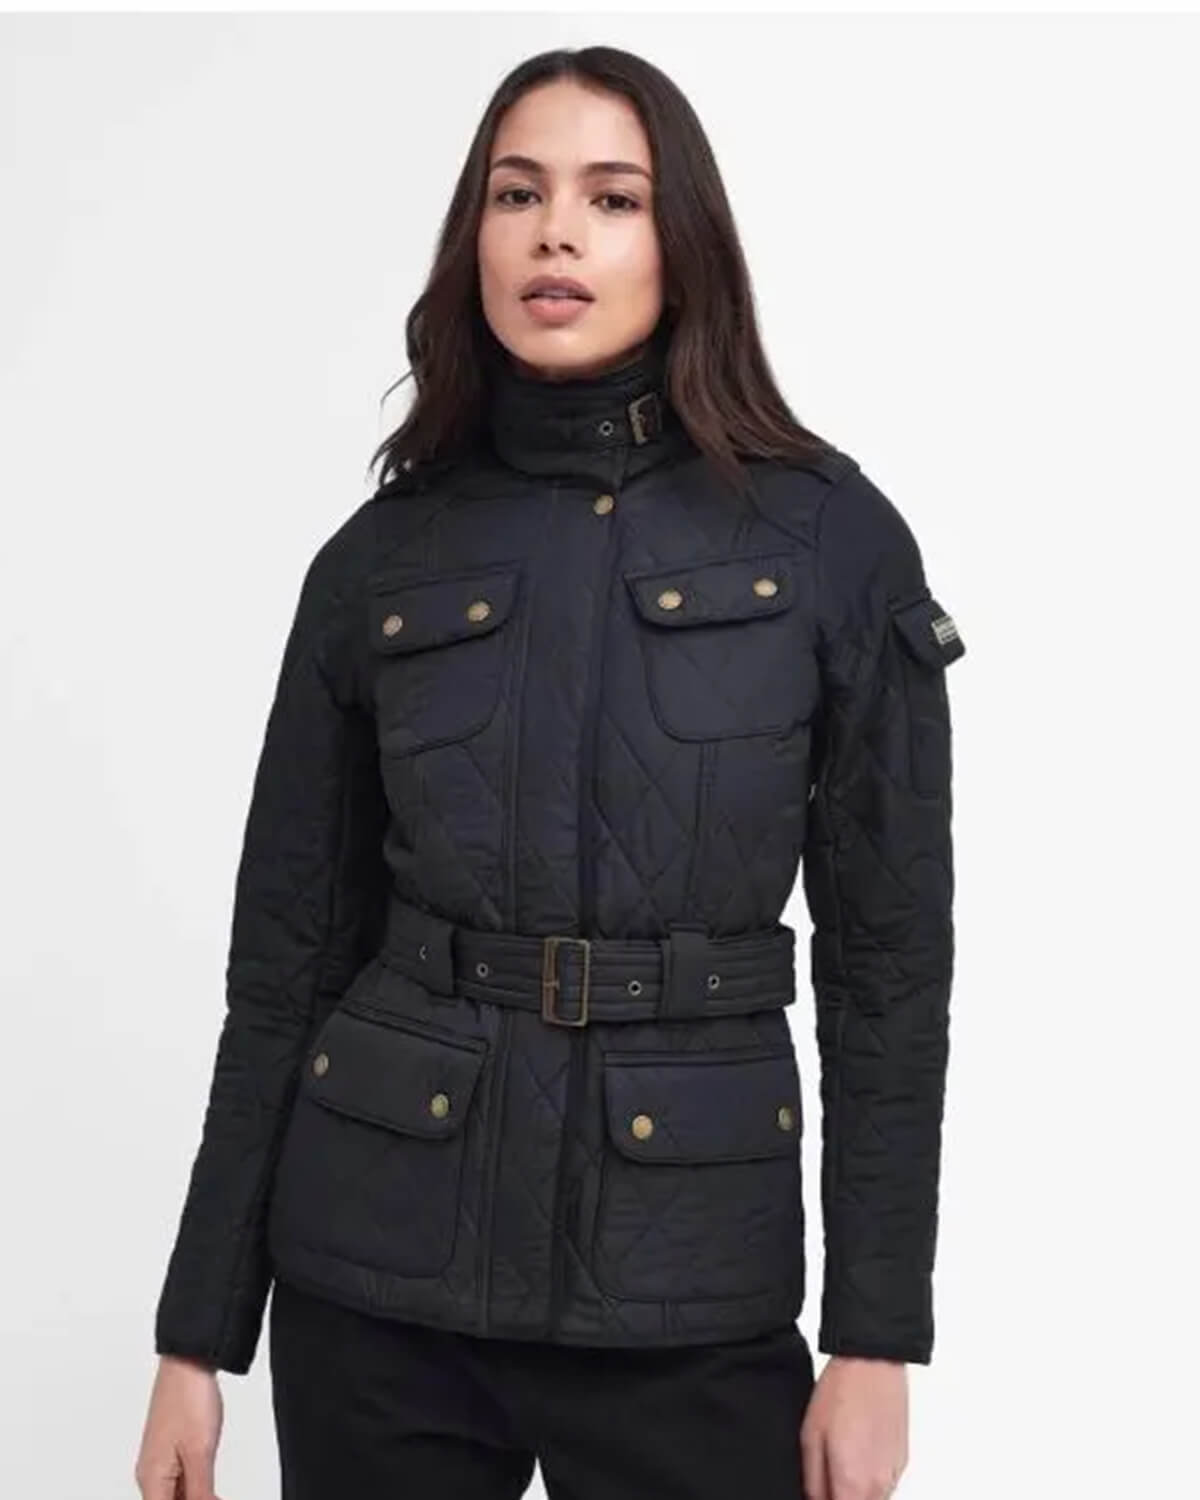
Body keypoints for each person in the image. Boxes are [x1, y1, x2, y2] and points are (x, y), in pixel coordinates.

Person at [135, 43, 964, 1500]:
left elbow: (889, 968)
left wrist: (876, 1337)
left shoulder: (831, 541)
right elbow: (284, 965)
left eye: (612, 197)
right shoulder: (379, 560)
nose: (555, 234)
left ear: (682, 241)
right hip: (376, 1271)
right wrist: (196, 1340)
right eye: (516, 194)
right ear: (475, 238)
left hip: (687, 1277)